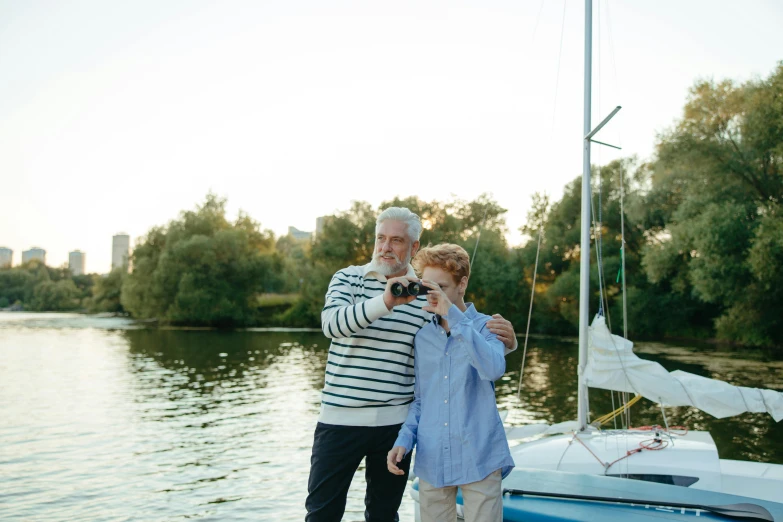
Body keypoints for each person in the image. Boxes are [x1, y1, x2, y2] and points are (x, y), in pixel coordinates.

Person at [305, 207, 517, 522]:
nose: (385, 247)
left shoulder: (423, 293)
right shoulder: (348, 278)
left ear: (413, 247)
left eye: (396, 240)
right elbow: (332, 325)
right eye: (380, 238)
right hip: (340, 419)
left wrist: (508, 344)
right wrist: (386, 301)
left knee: (383, 515)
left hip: (394, 424)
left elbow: (455, 336)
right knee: (322, 514)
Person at [386, 243, 514, 522]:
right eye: (428, 287)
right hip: (433, 459)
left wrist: (453, 316)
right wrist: (403, 440)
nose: (433, 295)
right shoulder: (423, 337)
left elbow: (493, 369)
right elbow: (422, 400)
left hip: (480, 455)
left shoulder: (488, 327)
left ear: (462, 284)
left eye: (441, 287)